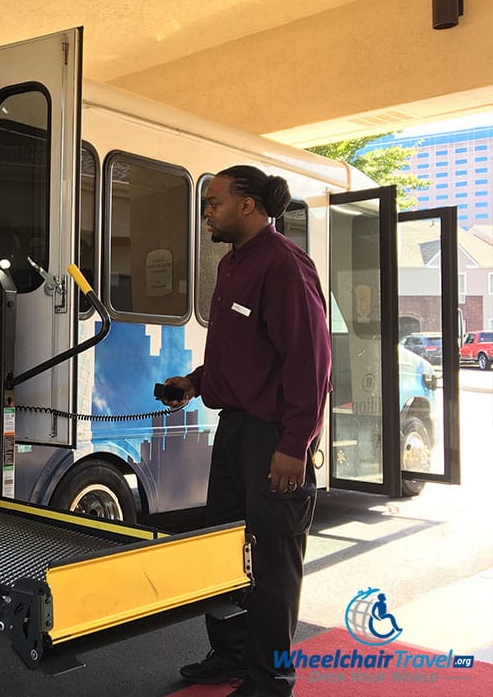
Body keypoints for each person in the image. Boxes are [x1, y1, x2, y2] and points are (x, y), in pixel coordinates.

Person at [162, 165, 330, 697]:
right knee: (226, 550)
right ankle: (232, 655)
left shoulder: (284, 266)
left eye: (213, 202)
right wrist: (192, 382)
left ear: (249, 205)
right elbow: (241, 354)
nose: (206, 210)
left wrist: (294, 445)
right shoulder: (233, 265)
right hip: (235, 431)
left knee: (274, 562)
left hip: (273, 436)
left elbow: (310, 362)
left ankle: (271, 677)